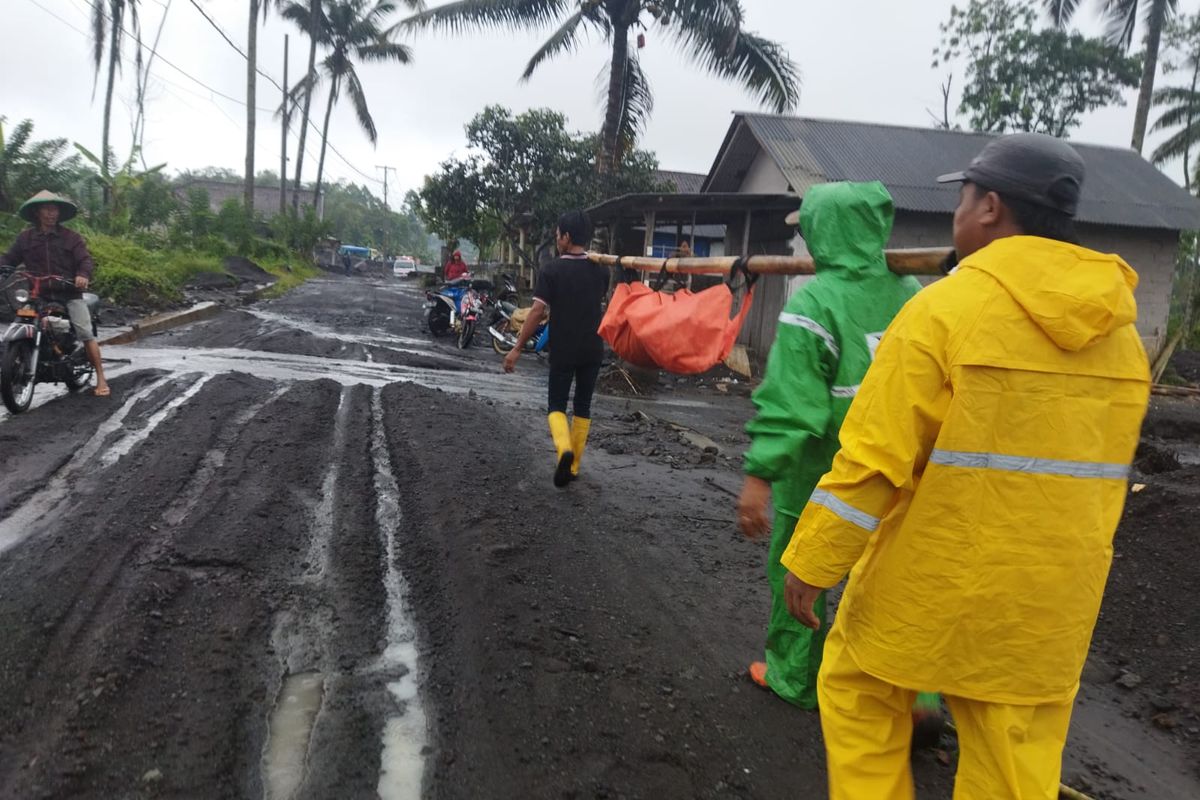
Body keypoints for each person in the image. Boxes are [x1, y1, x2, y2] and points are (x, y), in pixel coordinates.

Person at [780, 133, 1150, 799]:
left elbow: (872, 462)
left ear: (989, 208)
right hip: (1049, 602)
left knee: (858, 689)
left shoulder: (941, 311)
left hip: (934, 582)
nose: (957, 211)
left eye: (963, 196)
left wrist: (812, 562)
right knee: (1015, 761)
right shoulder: (1120, 337)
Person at [737, 181, 921, 709]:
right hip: (895, 477)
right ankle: (913, 692)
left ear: (825, 231)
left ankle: (794, 676)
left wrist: (758, 478)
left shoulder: (814, 302)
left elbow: (791, 405)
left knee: (796, 575)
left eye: (810, 230)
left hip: (821, 480)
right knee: (890, 585)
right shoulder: (911, 295)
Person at [503, 210, 607, 488]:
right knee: (583, 406)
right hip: (593, 349)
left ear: (567, 237)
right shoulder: (601, 268)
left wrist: (517, 347)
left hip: (564, 348)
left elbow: (537, 312)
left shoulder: (552, 269)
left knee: (556, 406)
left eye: (558, 233)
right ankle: (572, 467)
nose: (556, 237)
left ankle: (565, 450)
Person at [0, 190, 110, 397]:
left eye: (55, 209)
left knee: (85, 333)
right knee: (19, 322)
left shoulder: (71, 238)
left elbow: (85, 260)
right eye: (47, 209)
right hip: (38, 293)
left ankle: (101, 378)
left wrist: (82, 275)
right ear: (37, 212)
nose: (51, 213)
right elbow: (9, 259)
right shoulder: (25, 238)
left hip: (68, 293)